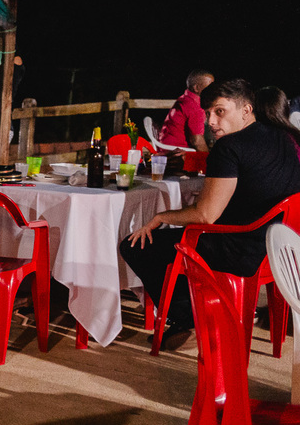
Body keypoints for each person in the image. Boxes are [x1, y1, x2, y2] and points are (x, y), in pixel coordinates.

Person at [121, 78, 300, 345]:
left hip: (239, 249)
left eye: (219, 111)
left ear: (246, 110)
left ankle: (188, 315)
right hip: (279, 247)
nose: (211, 122)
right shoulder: (285, 138)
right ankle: (197, 311)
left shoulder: (229, 148)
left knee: (136, 245)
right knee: (177, 237)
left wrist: (161, 217)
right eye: (207, 114)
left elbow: (206, 215)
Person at [157, 69, 214, 151]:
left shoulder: (184, 98)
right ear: (197, 88)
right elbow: (197, 141)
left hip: (164, 147)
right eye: (210, 87)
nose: (213, 90)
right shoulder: (195, 107)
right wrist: (210, 159)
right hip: (175, 152)